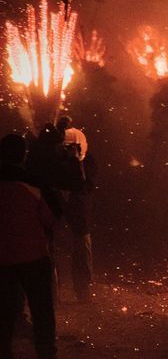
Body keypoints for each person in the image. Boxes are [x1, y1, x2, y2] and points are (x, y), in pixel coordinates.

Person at [0, 132, 59, 359]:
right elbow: (51, 218)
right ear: (24, 155)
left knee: (2, 312)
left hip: (2, 259)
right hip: (33, 256)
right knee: (42, 309)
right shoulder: (34, 184)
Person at [55, 115, 96, 302]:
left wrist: (76, 164)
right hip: (61, 197)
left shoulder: (85, 161)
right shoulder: (56, 159)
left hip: (76, 198)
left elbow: (86, 184)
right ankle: (51, 290)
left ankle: (82, 288)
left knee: (82, 243)